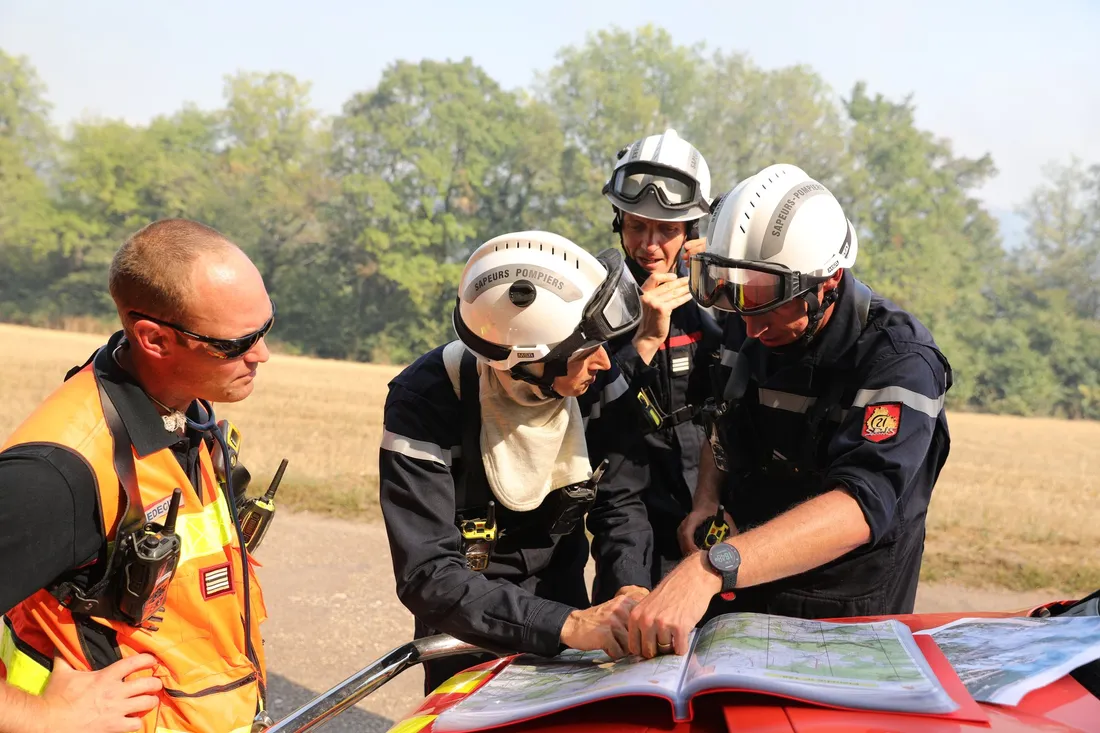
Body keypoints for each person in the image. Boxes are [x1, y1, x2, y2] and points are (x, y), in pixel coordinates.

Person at [626, 164, 953, 659]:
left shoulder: (898, 362)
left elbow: (860, 506)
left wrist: (712, 567)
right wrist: (707, 500)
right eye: (740, 299)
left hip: (842, 618)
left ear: (829, 281)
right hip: (739, 591)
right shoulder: (747, 316)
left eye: (768, 301)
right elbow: (724, 415)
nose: (752, 327)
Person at [0, 219, 275, 732]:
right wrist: (40, 718)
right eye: (237, 343)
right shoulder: (59, 473)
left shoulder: (186, 414)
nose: (262, 354)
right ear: (153, 338)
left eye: (267, 326)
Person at [379, 230, 657, 693]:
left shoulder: (594, 385)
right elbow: (428, 574)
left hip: (566, 603)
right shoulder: (425, 402)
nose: (607, 364)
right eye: (589, 351)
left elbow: (621, 502)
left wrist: (629, 587)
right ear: (531, 361)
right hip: (465, 623)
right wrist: (564, 625)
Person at [600, 129, 724, 584]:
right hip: (630, 508)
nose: (650, 244)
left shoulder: (720, 298)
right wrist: (645, 340)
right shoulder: (594, 301)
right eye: (636, 226)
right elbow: (595, 418)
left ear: (691, 232)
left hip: (716, 504)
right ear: (619, 223)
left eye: (667, 230)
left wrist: (723, 283)